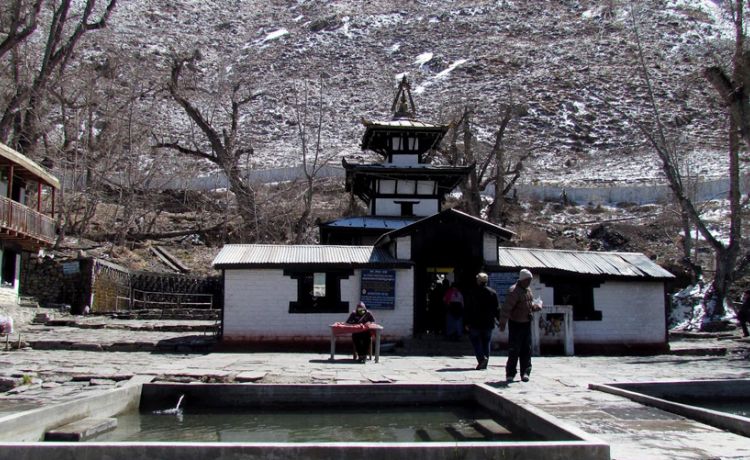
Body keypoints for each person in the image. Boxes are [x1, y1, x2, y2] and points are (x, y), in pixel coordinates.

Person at [498, 269, 542, 383]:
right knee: (514, 349)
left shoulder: (528, 290)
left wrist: (536, 307)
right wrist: (502, 322)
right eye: (528, 280)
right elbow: (506, 308)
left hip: (526, 323)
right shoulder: (514, 291)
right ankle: (510, 373)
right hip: (516, 324)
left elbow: (529, 304)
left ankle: (525, 372)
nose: (529, 282)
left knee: (526, 349)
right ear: (522, 280)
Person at [465, 272, 499, 370]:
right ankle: (485, 362)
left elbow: (468, 308)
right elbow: (497, 308)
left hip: (475, 322)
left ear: (478, 281)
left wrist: (466, 322)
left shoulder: (472, 292)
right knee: (486, 342)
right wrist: (499, 319)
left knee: (475, 341)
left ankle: (481, 358)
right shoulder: (492, 293)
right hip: (488, 322)